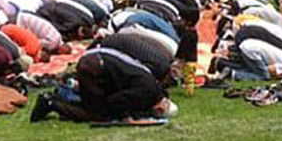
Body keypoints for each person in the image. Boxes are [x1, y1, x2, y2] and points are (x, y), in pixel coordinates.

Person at [31, 48, 175, 123]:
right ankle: (52, 103)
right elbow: (115, 102)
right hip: (94, 68)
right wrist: (127, 118)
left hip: (97, 62)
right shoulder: (147, 93)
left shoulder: (152, 85)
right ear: (160, 108)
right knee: (98, 115)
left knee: (94, 102)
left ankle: (60, 98)